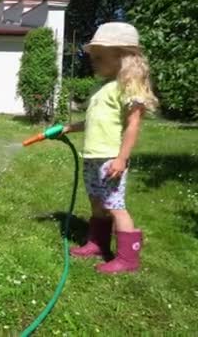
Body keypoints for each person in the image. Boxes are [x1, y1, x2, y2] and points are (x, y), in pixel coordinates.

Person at [63, 22, 158, 274]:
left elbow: (133, 124)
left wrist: (121, 158)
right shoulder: (103, 86)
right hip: (93, 156)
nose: (93, 61)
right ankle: (97, 244)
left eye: (99, 57)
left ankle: (128, 259)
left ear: (122, 57)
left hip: (110, 158)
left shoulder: (129, 86)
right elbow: (96, 120)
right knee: (97, 202)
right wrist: (72, 127)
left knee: (115, 206)